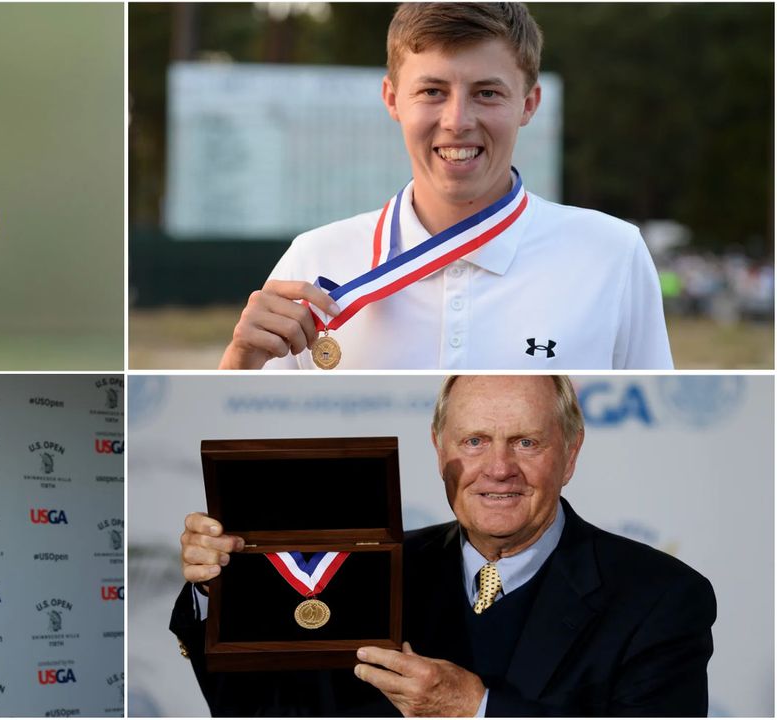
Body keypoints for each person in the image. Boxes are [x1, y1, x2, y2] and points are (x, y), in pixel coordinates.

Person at [173, 375, 715, 716]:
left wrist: (477, 711)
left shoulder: (661, 598)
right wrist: (216, 591)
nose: (498, 469)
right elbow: (264, 709)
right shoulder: (370, 568)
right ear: (439, 450)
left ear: (569, 454)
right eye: (474, 441)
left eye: (526, 442)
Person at [220, 3, 672, 370]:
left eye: (487, 93)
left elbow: (656, 443)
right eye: (432, 91)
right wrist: (240, 363)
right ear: (392, 100)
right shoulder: (314, 258)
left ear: (528, 104)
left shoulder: (612, 254)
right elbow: (240, 442)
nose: (457, 121)